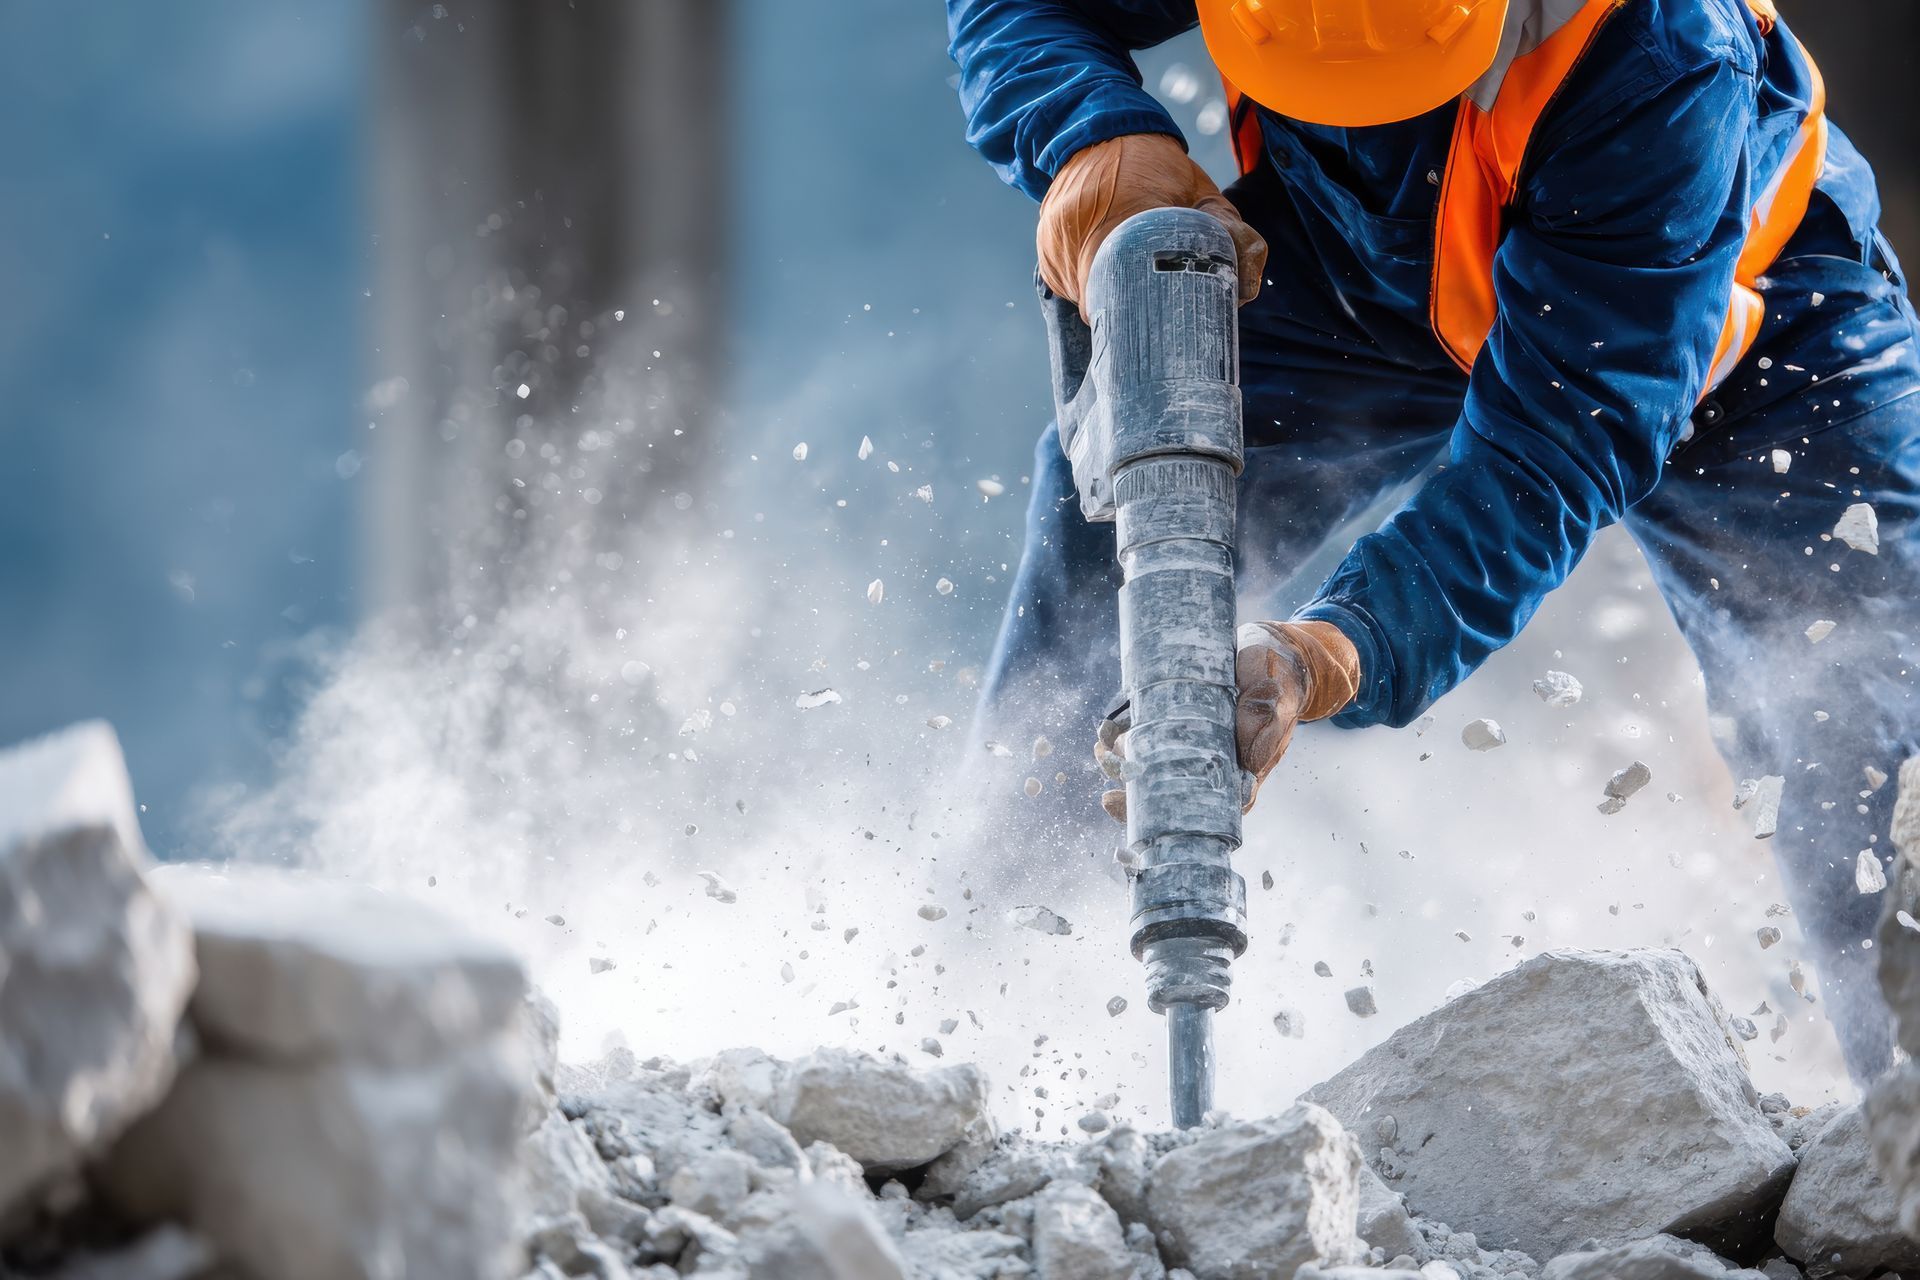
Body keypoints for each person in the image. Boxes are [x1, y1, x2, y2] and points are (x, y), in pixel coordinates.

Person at [946, 0, 1920, 1085]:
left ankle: (1909, 1138)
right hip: (1355, 272)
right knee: (1111, 552)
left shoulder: (1662, 50)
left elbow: (1556, 447)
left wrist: (1335, 647)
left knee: (1865, 749)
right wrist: (1089, 134)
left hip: (1736, 317)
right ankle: (973, 1009)